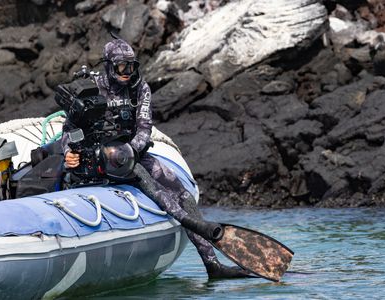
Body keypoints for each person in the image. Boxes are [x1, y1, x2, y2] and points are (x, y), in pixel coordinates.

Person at [62, 38, 251, 279]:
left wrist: (129, 152)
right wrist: (69, 153)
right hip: (98, 159)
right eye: (122, 67)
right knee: (153, 189)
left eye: (131, 66)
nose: (127, 73)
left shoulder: (140, 88)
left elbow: (144, 128)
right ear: (109, 66)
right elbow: (69, 129)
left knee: (180, 192)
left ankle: (212, 264)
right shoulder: (90, 89)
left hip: (132, 154)